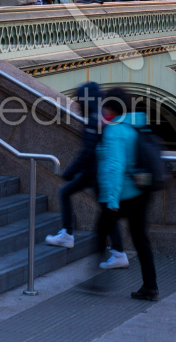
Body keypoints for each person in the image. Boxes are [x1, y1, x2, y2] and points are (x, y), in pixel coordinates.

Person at [45, 82, 126, 261]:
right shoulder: (101, 115)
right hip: (96, 172)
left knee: (105, 212)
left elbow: (88, 152)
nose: (77, 104)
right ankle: (116, 251)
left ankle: (117, 252)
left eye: (79, 100)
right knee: (70, 194)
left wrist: (70, 172)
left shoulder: (93, 120)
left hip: (96, 174)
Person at [95, 87, 158, 301]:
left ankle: (96, 281)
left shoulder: (115, 130)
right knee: (141, 239)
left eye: (105, 105)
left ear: (111, 107)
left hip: (123, 195)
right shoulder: (138, 123)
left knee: (100, 231)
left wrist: (111, 200)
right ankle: (150, 286)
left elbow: (115, 166)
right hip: (141, 190)